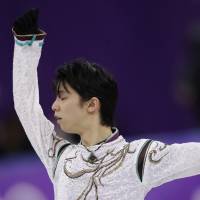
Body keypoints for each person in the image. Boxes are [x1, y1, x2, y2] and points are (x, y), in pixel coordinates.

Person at [12, 9, 200, 200]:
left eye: (63, 97)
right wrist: (26, 47)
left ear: (92, 105)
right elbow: (26, 107)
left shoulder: (139, 159)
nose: (54, 106)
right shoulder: (60, 157)